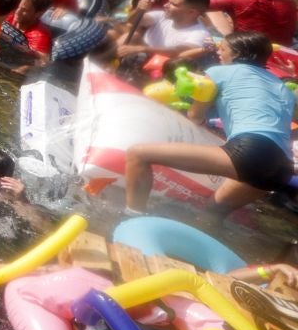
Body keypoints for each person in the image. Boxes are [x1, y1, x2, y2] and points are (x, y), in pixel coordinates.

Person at [124, 31, 296, 213]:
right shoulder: (282, 87)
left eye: (223, 49)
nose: (219, 53)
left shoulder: (218, 72)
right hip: (282, 167)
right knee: (213, 212)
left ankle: (131, 217)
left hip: (251, 151)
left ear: (236, 54)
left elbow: (195, 117)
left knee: (138, 154)